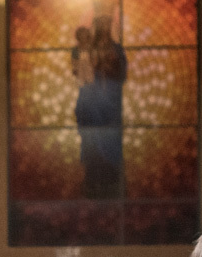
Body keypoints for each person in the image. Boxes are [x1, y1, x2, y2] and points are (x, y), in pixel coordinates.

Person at [72, 0, 126, 200]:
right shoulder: (84, 50)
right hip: (90, 110)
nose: (102, 28)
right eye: (99, 23)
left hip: (110, 111)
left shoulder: (116, 50)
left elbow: (121, 75)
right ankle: (92, 186)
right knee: (91, 148)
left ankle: (111, 186)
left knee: (110, 150)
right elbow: (79, 74)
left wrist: (110, 67)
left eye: (106, 23)